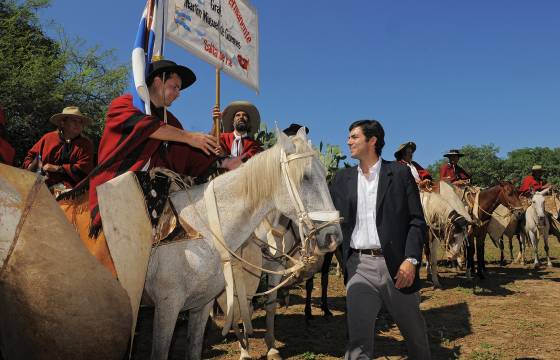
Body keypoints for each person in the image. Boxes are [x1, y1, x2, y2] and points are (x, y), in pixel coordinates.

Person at [69, 59, 240, 237]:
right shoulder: (125, 104)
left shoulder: (171, 122)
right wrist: (189, 137)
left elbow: (189, 156)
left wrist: (224, 162)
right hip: (116, 187)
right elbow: (146, 126)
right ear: (158, 81)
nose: (178, 93)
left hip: (154, 195)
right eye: (175, 87)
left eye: (179, 89)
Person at [329, 120, 430, 359]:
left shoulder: (399, 173)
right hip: (358, 266)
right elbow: (328, 217)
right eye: (349, 137)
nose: (348, 141)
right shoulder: (342, 179)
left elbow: (417, 221)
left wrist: (411, 260)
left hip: (397, 266)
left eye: (354, 137)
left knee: (414, 335)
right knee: (358, 341)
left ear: (372, 141)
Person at [22, 106, 94, 191]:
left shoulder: (86, 144)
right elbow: (29, 158)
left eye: (80, 122)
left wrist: (58, 168)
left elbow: (84, 170)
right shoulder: (48, 138)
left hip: (73, 193)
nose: (78, 124)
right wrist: (37, 169)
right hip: (42, 188)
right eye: (74, 120)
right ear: (63, 123)